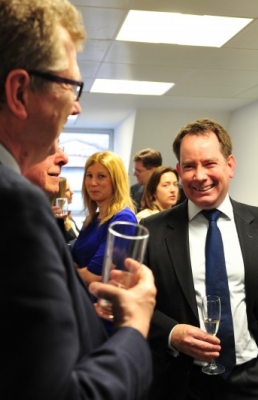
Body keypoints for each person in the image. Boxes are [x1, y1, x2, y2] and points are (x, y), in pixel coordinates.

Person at [0, 1, 155, 399]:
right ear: (19, 92)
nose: (76, 104)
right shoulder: (15, 205)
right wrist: (135, 326)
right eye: (69, 85)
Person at [140, 118, 258, 400]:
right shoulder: (153, 231)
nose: (200, 176)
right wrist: (172, 333)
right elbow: (135, 304)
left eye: (210, 163)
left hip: (252, 380)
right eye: (189, 166)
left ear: (230, 165)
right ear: (179, 171)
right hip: (179, 384)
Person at [72, 150, 137, 285]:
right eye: (89, 176)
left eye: (101, 176)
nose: (92, 183)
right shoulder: (92, 219)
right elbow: (74, 261)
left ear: (116, 181)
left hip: (103, 297)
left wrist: (64, 272)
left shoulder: (124, 219)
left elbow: (94, 275)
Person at [48, 176, 80, 244]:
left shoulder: (68, 218)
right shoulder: (52, 220)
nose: (72, 192)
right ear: (58, 194)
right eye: (67, 190)